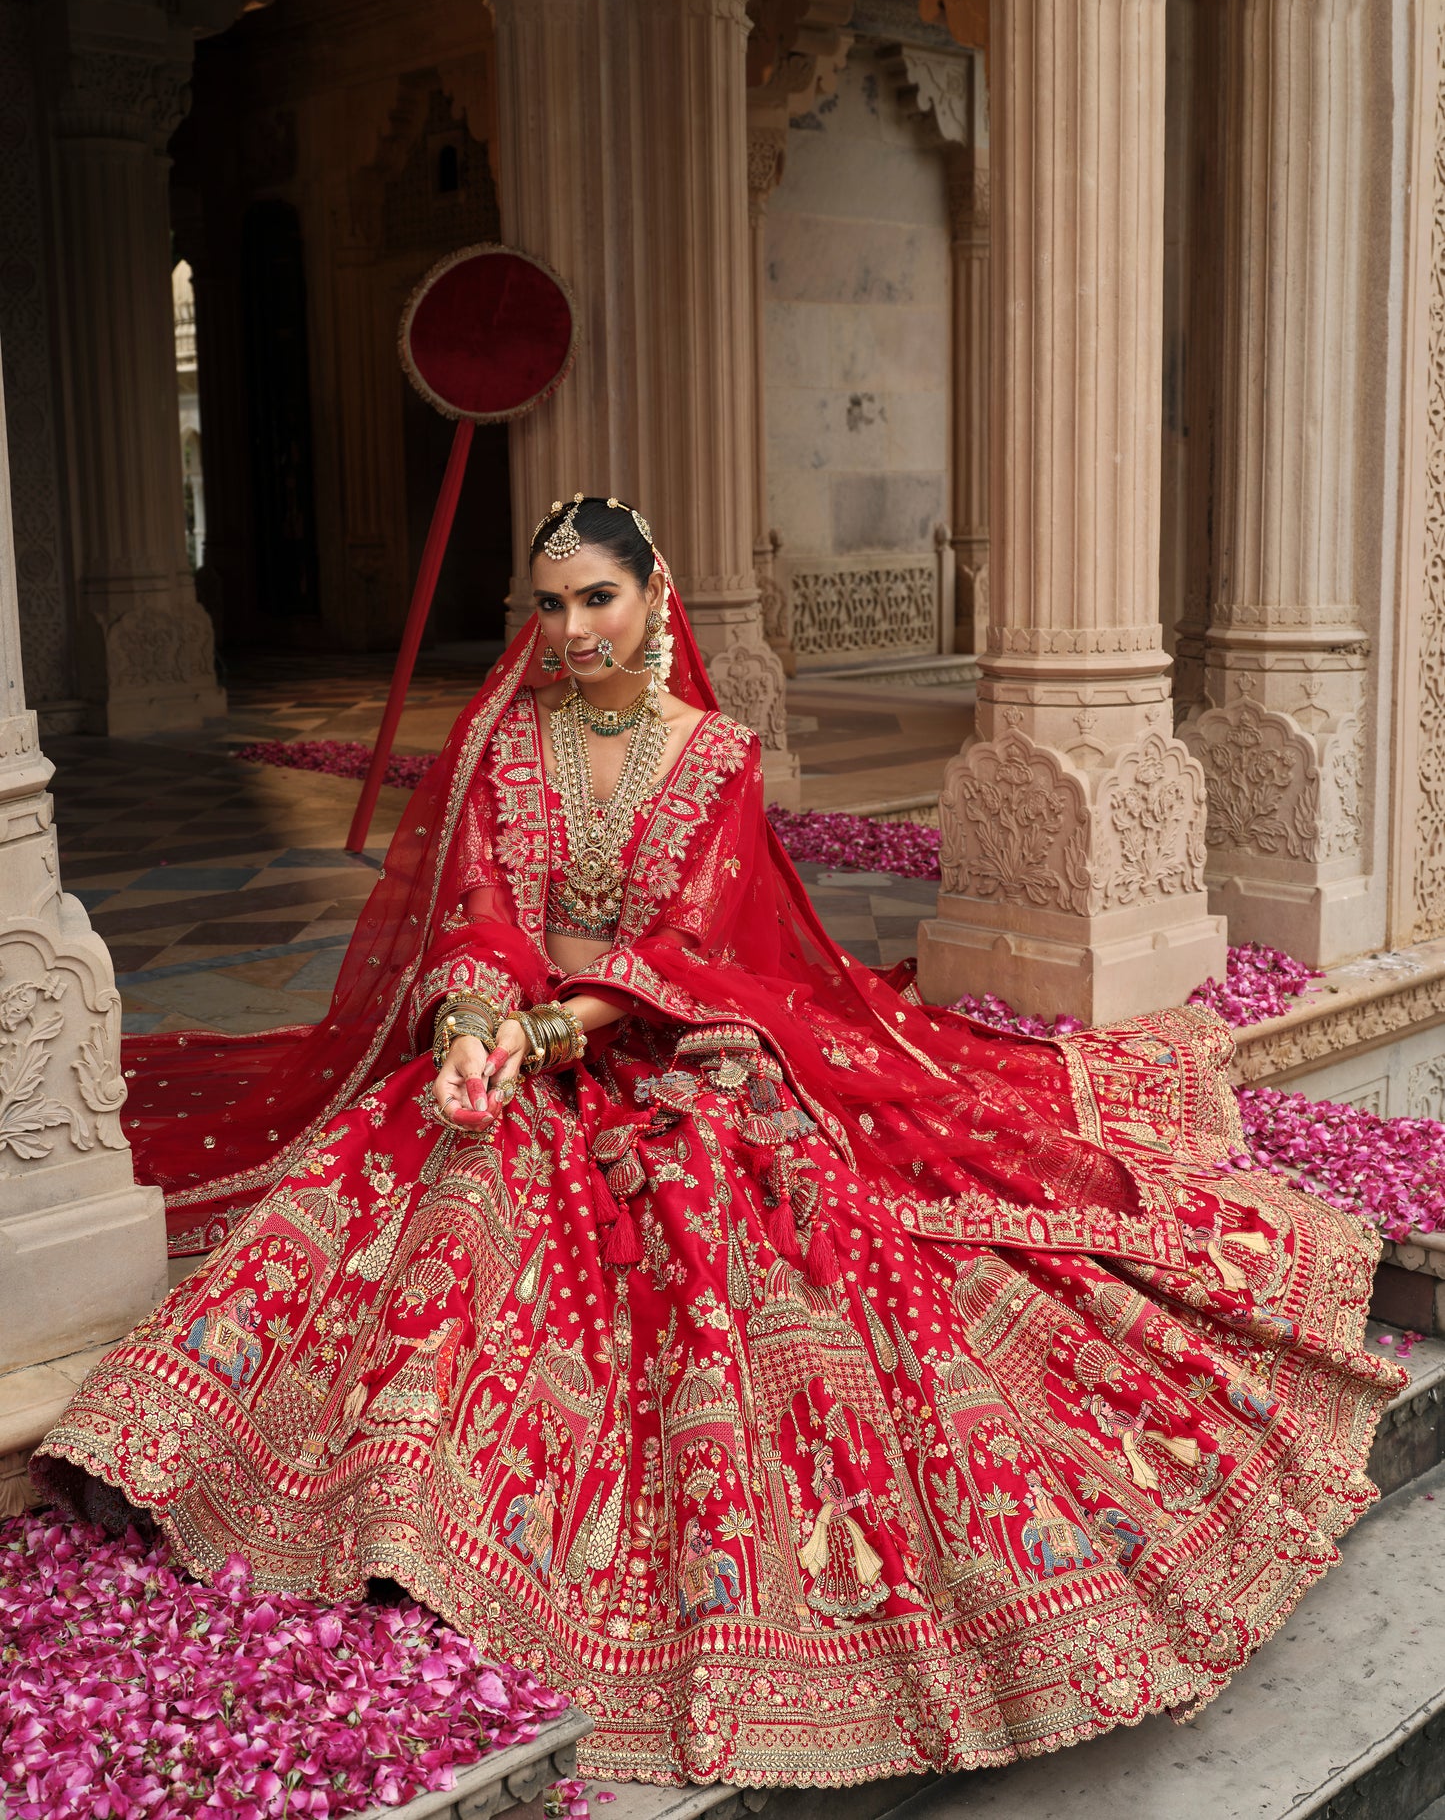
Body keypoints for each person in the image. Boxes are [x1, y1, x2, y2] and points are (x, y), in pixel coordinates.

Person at [36, 496, 1403, 1789]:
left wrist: (557, 1031)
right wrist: (469, 1027)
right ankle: (369, 1490)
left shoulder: (714, 756)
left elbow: (694, 946)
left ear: (655, 595)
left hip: (666, 1044)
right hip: (517, 1041)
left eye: (597, 598)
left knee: (730, 1211)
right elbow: (478, 913)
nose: (574, 630)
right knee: (425, 1161)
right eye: (549, 606)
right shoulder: (510, 748)